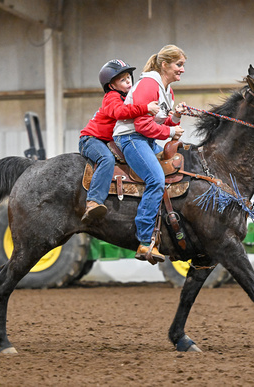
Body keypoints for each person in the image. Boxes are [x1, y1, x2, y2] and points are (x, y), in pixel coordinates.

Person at [113, 45, 187, 261]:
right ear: (164, 65)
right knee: (155, 179)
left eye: (183, 65)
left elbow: (162, 123)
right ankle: (145, 240)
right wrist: (172, 130)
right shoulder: (148, 85)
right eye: (179, 65)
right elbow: (143, 126)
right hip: (131, 138)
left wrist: (176, 116)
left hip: (145, 139)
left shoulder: (167, 91)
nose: (182, 69)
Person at [79, 59, 160, 223]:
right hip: (91, 139)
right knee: (105, 159)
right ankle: (94, 200)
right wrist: (146, 108)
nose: (128, 81)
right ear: (111, 86)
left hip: (108, 141)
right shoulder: (111, 97)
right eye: (122, 80)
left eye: (128, 77)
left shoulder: (129, 99)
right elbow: (120, 112)